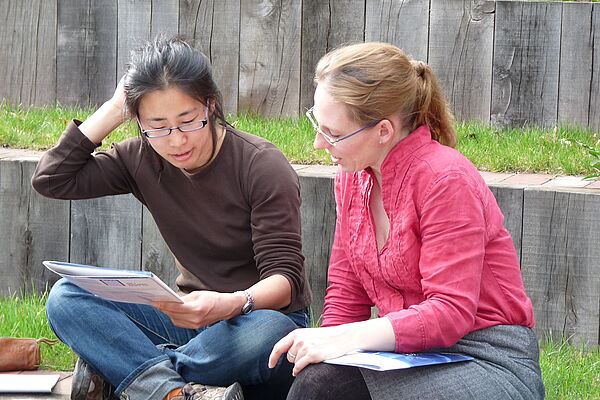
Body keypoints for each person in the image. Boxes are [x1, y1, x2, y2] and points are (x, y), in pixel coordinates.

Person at [32, 36, 311, 400]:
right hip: (187, 319)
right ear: (138, 121)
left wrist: (231, 303)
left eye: (187, 121)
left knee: (271, 333)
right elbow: (53, 179)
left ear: (210, 106)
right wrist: (116, 107)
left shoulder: (261, 164)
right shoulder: (140, 158)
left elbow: (285, 280)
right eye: (158, 126)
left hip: (251, 318)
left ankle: (127, 375)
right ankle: (173, 393)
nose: (176, 141)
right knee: (67, 295)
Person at [268, 42, 545, 400]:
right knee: (317, 381)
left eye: (334, 133)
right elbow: (346, 290)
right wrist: (322, 350)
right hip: (411, 354)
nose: (319, 143)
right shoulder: (352, 177)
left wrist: (344, 339)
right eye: (317, 125)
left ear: (383, 131)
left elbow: (449, 313)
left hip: (486, 358)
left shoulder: (445, 179)